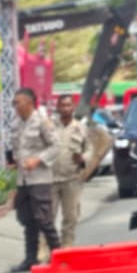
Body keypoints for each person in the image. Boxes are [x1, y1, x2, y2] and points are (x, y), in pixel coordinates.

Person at [9, 87, 59, 272]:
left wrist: (38, 159)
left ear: (29, 103)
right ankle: (30, 259)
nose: (15, 106)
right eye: (14, 103)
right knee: (27, 220)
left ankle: (58, 254)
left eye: (18, 102)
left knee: (43, 219)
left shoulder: (42, 122)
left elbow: (56, 146)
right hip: (23, 179)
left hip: (39, 179)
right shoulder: (16, 124)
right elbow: (17, 149)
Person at [49, 93, 90, 248]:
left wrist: (83, 158)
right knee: (48, 217)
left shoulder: (81, 128)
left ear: (73, 107)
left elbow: (90, 150)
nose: (65, 108)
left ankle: (67, 245)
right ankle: (46, 248)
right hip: (51, 179)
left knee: (71, 216)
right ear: (58, 107)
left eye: (68, 105)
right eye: (62, 105)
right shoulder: (50, 127)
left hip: (72, 179)